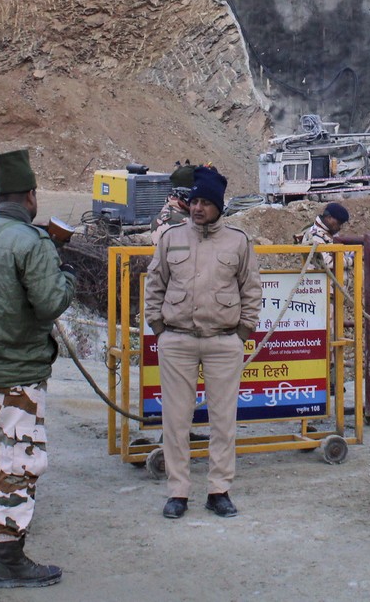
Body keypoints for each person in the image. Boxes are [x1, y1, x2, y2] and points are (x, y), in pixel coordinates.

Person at [0, 148, 78, 588]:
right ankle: (9, 557)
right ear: (30, 196)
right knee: (20, 460)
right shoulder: (33, 241)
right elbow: (50, 301)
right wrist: (65, 271)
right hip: (19, 373)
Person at [144, 165, 260, 520]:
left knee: (223, 420)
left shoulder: (238, 241)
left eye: (206, 203)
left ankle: (219, 490)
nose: (197, 208)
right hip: (177, 341)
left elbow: (251, 291)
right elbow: (154, 285)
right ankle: (177, 491)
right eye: (194, 201)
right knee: (176, 420)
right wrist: (160, 328)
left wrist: (242, 332)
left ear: (219, 207)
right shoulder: (171, 238)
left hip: (223, 342)